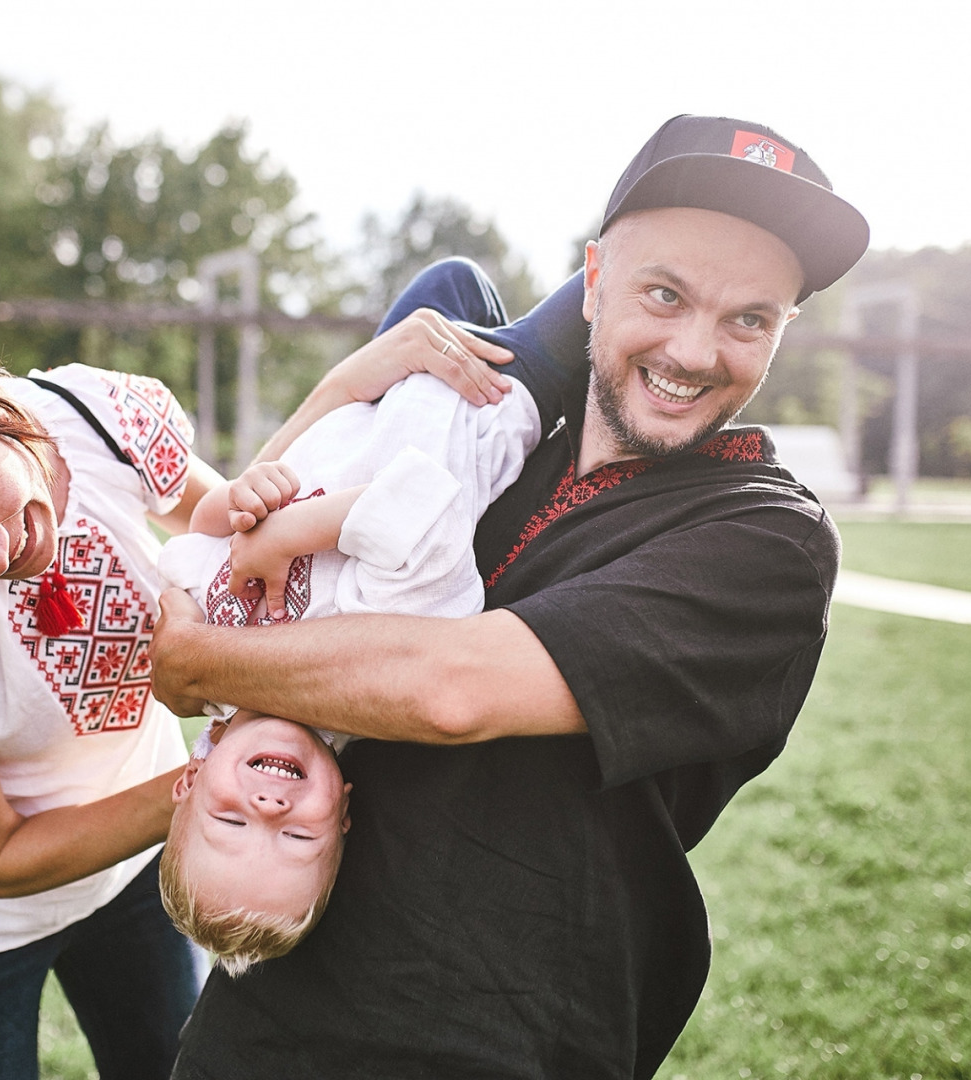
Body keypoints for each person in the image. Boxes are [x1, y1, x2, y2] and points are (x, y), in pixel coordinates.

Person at [150, 114, 871, 1079]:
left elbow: (450, 691)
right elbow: (261, 548)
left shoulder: (765, 539)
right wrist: (348, 382)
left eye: (750, 319)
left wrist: (202, 659)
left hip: (498, 1041)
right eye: (664, 292)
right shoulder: (500, 442)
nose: (697, 351)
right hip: (264, 1026)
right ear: (594, 278)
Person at [0, 300, 513, 1080]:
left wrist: (338, 389)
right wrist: (207, 791)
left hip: (135, 876)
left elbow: (231, 535)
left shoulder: (93, 417)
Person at [155, 326, 543, 971]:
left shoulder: (211, 656)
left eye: (232, 826)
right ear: (341, 817)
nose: (269, 809)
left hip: (381, 389)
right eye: (297, 836)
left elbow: (198, 538)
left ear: (191, 779)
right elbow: (425, 511)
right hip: (481, 392)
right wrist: (284, 535)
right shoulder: (368, 679)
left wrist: (238, 501)